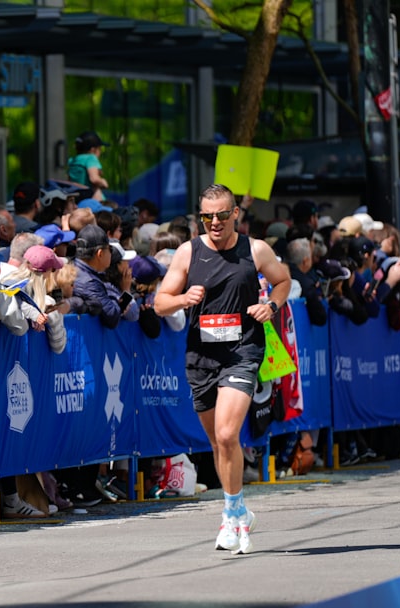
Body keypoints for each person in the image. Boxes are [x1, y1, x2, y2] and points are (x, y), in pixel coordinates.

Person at [153, 184, 290, 555]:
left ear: (235, 214)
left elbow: (283, 280)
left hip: (243, 351)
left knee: (229, 434)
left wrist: (271, 307)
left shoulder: (255, 249)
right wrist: (183, 298)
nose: (214, 222)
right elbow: (160, 303)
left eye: (222, 215)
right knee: (218, 442)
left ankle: (230, 515)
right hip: (201, 357)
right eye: (207, 216)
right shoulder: (189, 252)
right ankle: (240, 509)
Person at [67, 131, 109, 201]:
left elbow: (69, 181)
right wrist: (103, 182)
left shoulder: (72, 161)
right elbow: (94, 179)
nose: (100, 152)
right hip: (91, 200)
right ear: (93, 150)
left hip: (77, 199)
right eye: (99, 149)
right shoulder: (91, 158)